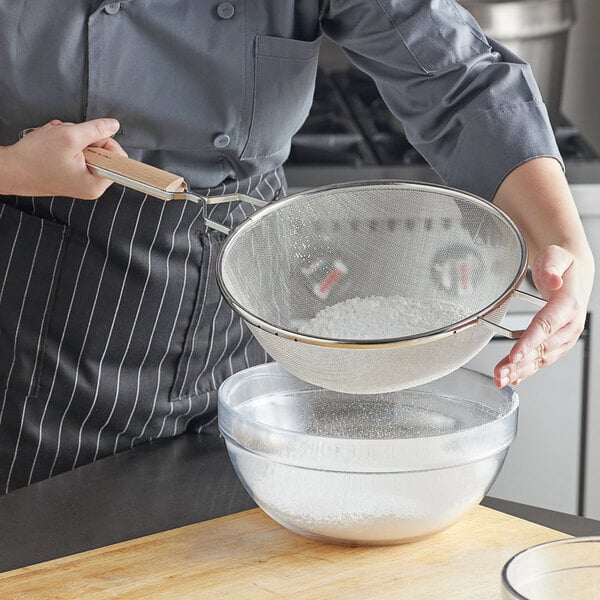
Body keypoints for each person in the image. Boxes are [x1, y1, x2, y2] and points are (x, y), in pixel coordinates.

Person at [0, 1, 594, 494]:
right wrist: (9, 169)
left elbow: (456, 77)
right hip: (36, 309)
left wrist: (566, 243)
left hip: (250, 309)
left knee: (228, 557)